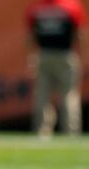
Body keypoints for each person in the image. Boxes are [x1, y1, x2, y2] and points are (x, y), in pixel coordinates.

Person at [26, 0, 85, 137]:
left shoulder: (36, 8)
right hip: (65, 55)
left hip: (44, 55)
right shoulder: (71, 6)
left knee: (42, 95)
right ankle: (71, 132)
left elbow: (30, 36)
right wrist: (81, 56)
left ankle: (42, 131)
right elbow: (79, 34)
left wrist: (30, 56)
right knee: (69, 95)